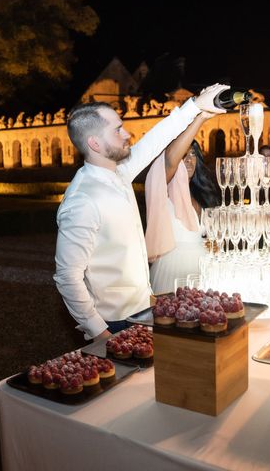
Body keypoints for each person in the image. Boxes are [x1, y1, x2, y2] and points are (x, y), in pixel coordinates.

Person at [54, 84, 228, 341]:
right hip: (113, 323)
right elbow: (67, 276)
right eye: (117, 130)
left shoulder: (120, 173)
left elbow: (155, 139)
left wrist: (198, 109)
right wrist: (100, 332)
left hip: (144, 311)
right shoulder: (82, 200)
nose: (127, 134)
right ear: (95, 143)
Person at [144, 114, 221, 294]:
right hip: (172, 272)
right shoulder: (160, 187)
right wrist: (200, 117)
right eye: (183, 154)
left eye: (193, 154)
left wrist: (211, 244)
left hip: (204, 271)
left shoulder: (199, 195)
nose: (189, 159)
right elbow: (170, 160)